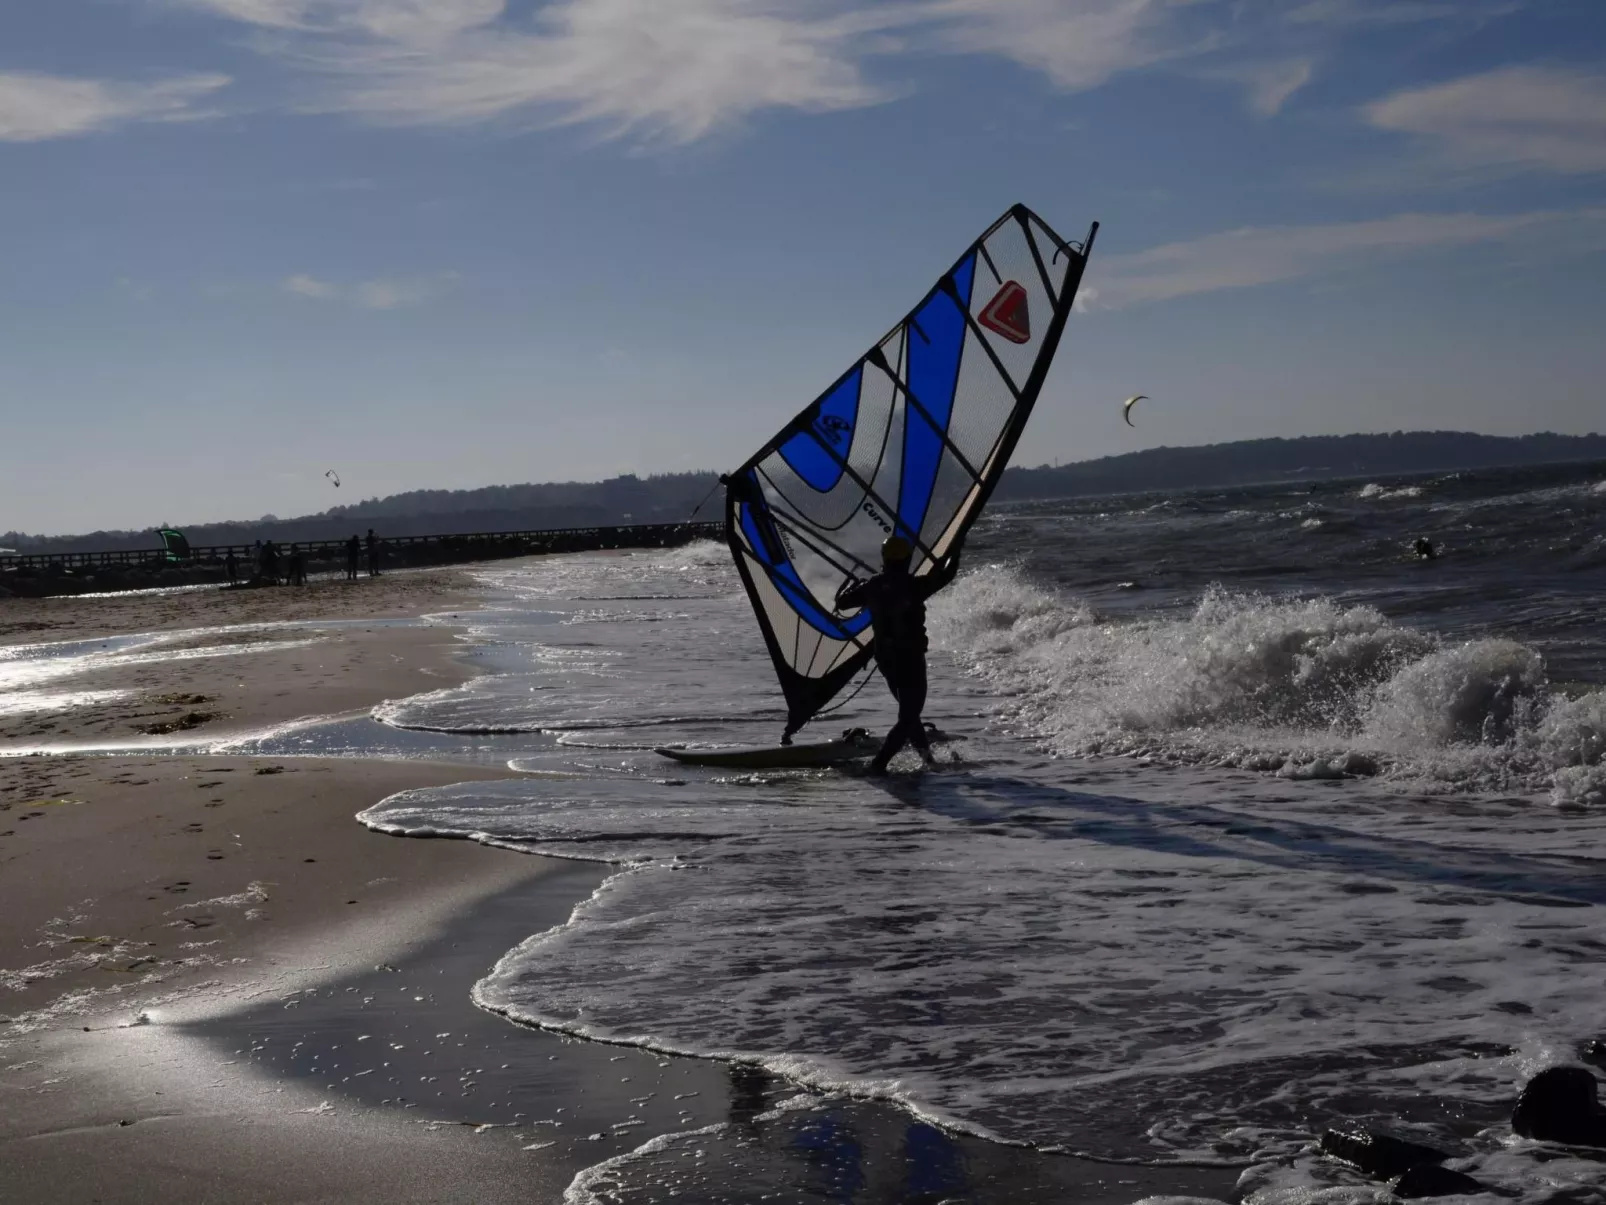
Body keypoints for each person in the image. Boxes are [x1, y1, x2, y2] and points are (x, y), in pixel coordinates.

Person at [835, 536, 959, 774]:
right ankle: (879, 765)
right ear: (908, 558)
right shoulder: (915, 585)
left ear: (885, 558)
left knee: (909, 713)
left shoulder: (872, 586)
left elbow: (842, 603)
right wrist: (956, 546)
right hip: (909, 657)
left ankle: (928, 760)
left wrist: (855, 586)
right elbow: (948, 574)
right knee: (909, 715)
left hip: (886, 659)